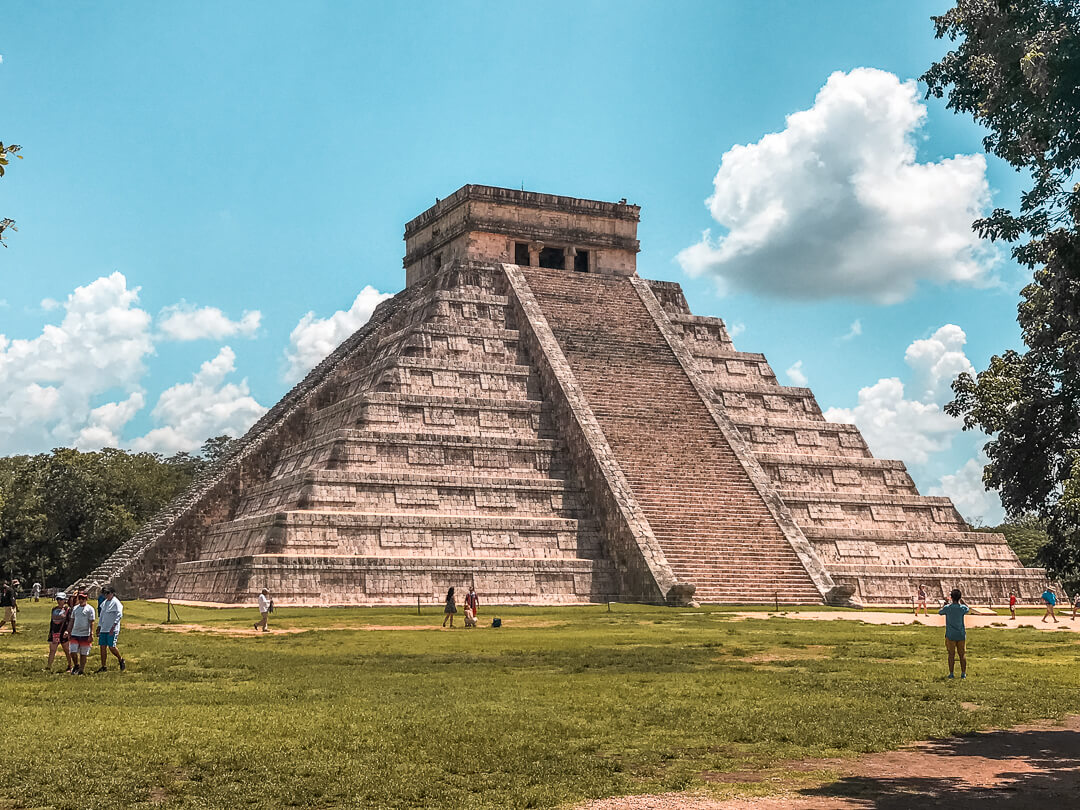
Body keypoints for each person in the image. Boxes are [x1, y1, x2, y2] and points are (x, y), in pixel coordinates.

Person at [938, 588, 970, 679]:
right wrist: (962, 601)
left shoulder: (948, 608)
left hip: (950, 634)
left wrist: (945, 604)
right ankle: (963, 673)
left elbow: (940, 612)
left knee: (951, 655)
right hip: (961, 634)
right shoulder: (962, 608)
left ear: (951, 597)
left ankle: (951, 673)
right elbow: (968, 608)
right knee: (962, 654)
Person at [95, 586, 126, 673]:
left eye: (108, 593)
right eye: (105, 593)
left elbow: (119, 615)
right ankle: (103, 666)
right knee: (102, 647)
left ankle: (120, 659)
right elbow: (101, 616)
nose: (106, 595)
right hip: (104, 628)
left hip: (112, 628)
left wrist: (114, 626)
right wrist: (99, 626)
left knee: (111, 646)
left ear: (112, 593)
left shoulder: (116, 603)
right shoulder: (104, 603)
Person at [67, 591, 95, 675]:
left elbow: (92, 622)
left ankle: (81, 670)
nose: (82, 600)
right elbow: (72, 620)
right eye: (80, 598)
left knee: (83, 653)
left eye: (83, 598)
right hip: (75, 633)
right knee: (72, 651)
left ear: (86, 599)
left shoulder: (90, 609)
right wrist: (68, 631)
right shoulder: (75, 608)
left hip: (85, 634)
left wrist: (91, 634)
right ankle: (76, 665)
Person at [46, 593, 71, 672]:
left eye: (61, 599)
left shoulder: (68, 610)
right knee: (52, 650)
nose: (59, 601)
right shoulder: (54, 609)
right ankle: (48, 667)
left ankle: (70, 665)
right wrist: (50, 632)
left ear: (64, 600)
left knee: (66, 650)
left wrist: (68, 631)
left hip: (63, 632)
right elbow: (52, 621)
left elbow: (70, 621)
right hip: (55, 632)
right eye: (58, 599)